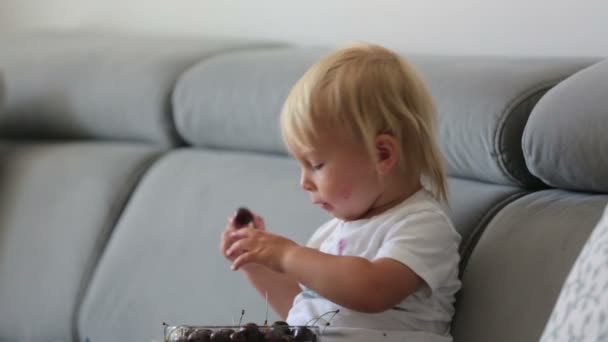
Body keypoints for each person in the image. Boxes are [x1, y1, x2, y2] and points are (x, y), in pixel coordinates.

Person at [220, 43, 461, 341]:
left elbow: (372, 290)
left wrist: (287, 255)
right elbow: (302, 316)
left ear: (382, 155)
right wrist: (258, 266)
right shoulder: (330, 235)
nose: (304, 182)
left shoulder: (423, 225)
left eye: (316, 164)